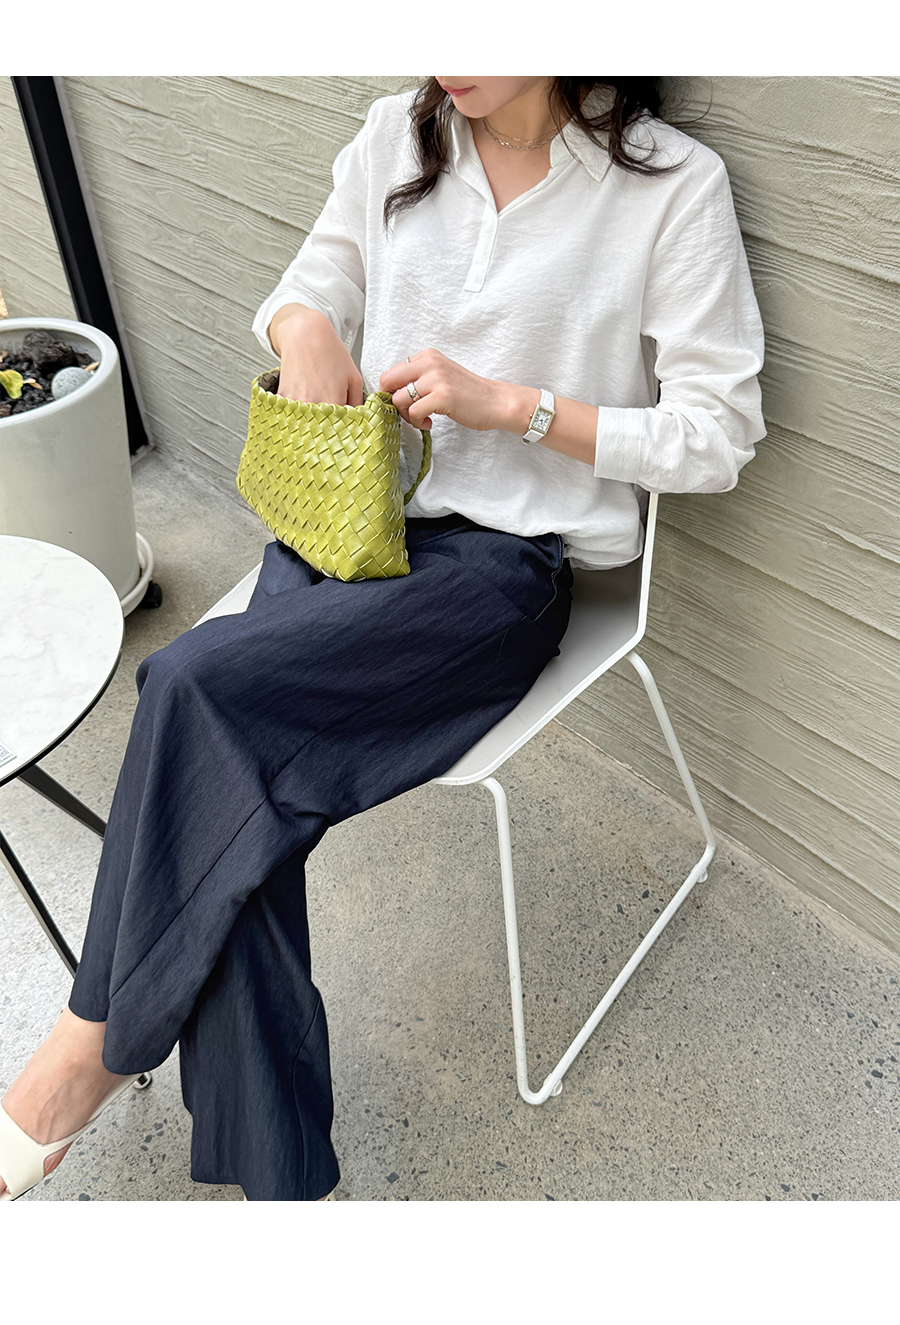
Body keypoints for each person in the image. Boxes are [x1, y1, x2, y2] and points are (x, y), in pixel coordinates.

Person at [0, 77, 765, 1202]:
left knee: (193, 689)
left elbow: (718, 433)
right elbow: (313, 280)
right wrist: (305, 327)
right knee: (224, 763)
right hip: (354, 524)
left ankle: (81, 1054)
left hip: (504, 572)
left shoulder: (671, 187)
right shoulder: (396, 136)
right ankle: (276, 1179)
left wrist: (515, 406)